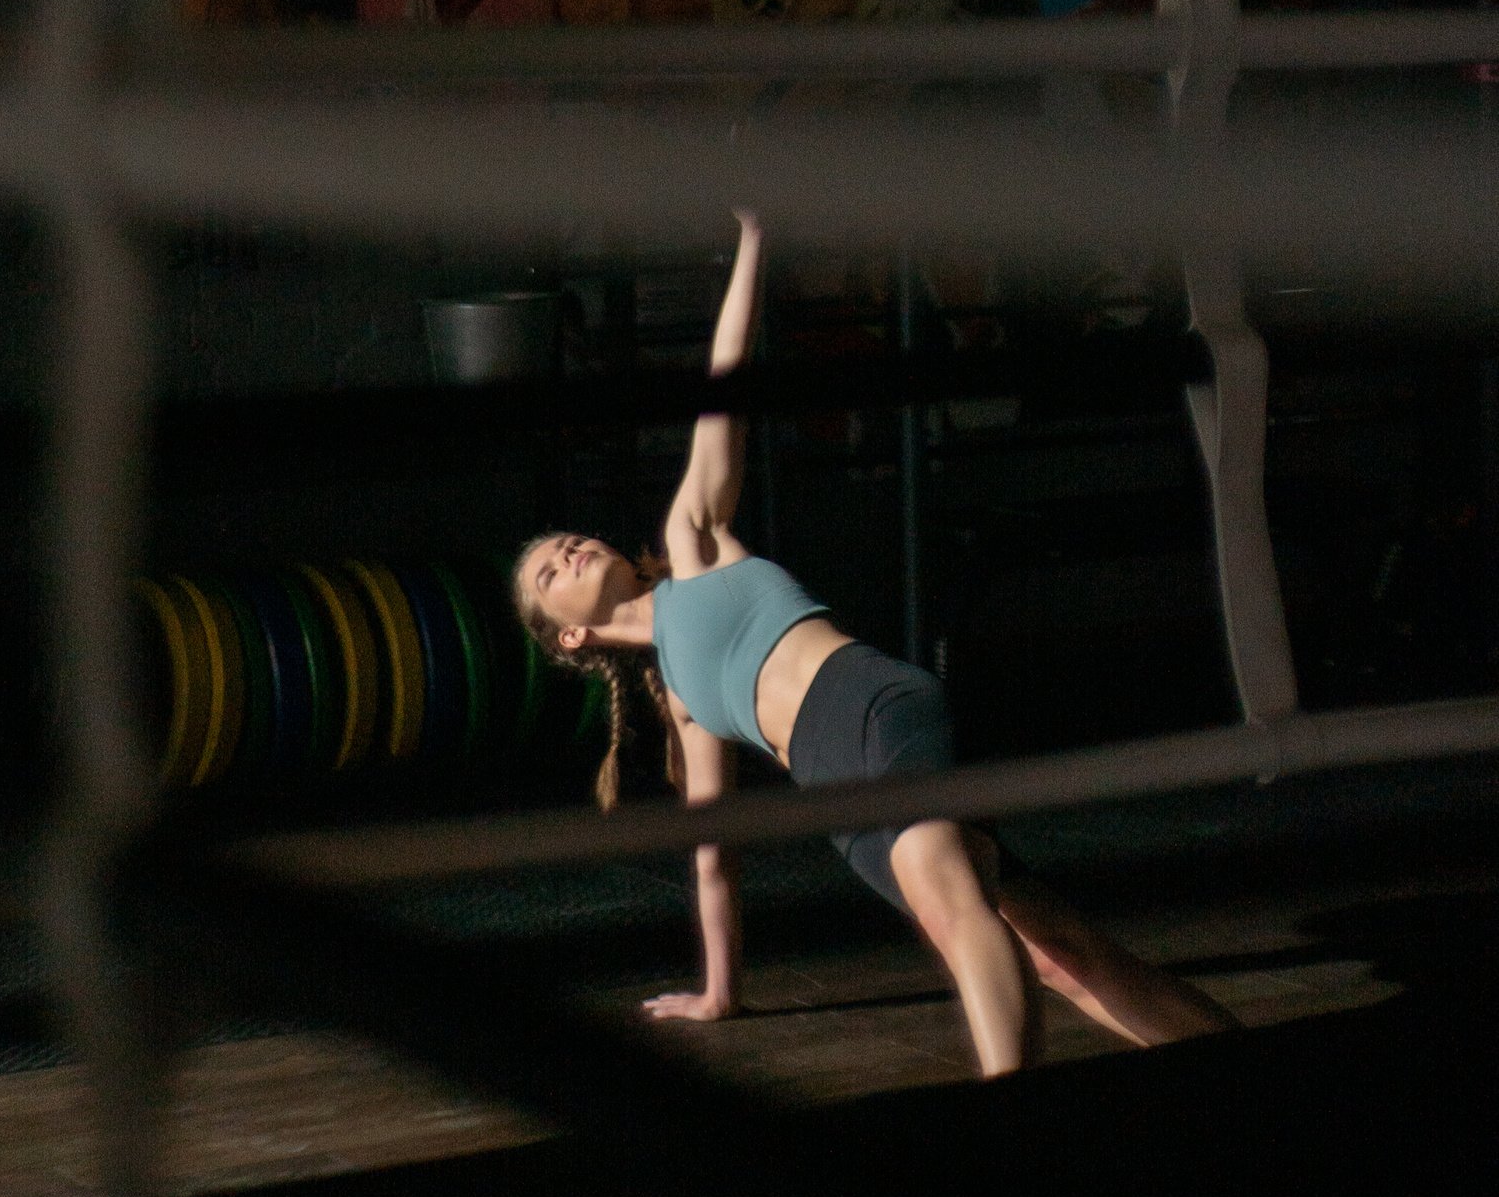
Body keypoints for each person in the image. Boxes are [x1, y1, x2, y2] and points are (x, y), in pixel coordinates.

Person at [513, 212, 1235, 1077]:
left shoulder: (695, 546)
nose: (566, 551)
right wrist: (718, 993)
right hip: (841, 804)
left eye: (564, 543)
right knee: (1055, 954)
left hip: (872, 709)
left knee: (952, 893)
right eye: (549, 572)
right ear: (572, 633)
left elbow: (726, 388)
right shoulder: (684, 705)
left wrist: (752, 244)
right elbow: (716, 857)